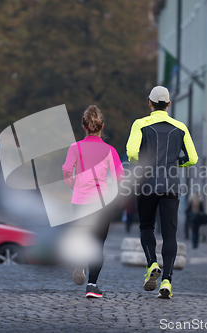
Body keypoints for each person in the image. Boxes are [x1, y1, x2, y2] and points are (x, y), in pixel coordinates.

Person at [126, 86, 198, 299]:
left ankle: (152, 264)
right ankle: (166, 280)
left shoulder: (140, 124)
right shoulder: (180, 127)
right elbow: (192, 158)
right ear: (168, 104)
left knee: (146, 226)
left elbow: (131, 152)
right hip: (171, 186)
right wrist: (177, 164)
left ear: (149, 103)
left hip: (146, 184)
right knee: (169, 234)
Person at [62, 105, 124, 298]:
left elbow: (66, 171)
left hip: (80, 201)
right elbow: (119, 178)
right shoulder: (110, 150)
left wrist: (75, 186)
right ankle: (92, 285)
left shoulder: (75, 148)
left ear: (84, 126)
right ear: (102, 126)